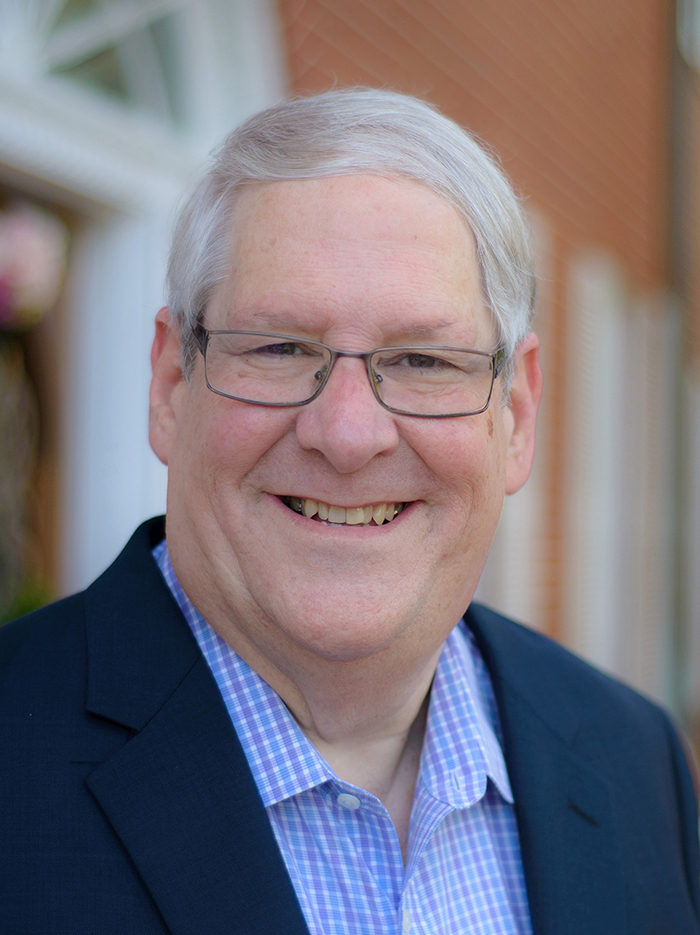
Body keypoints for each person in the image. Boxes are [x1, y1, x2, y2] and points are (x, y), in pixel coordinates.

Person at [0, 88, 698, 935]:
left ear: (515, 414)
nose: (347, 434)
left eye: (423, 359)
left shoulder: (634, 759)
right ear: (172, 386)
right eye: (279, 347)